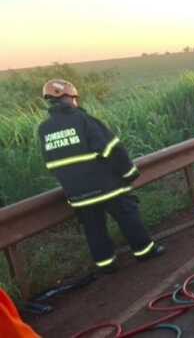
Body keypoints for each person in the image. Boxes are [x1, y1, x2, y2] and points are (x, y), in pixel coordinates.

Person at [38, 80, 165, 273]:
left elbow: (51, 164)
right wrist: (129, 173)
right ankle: (145, 252)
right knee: (128, 216)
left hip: (77, 193)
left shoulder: (44, 129)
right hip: (106, 186)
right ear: (69, 98)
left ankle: (106, 265)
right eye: (74, 98)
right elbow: (111, 149)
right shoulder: (84, 120)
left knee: (94, 229)